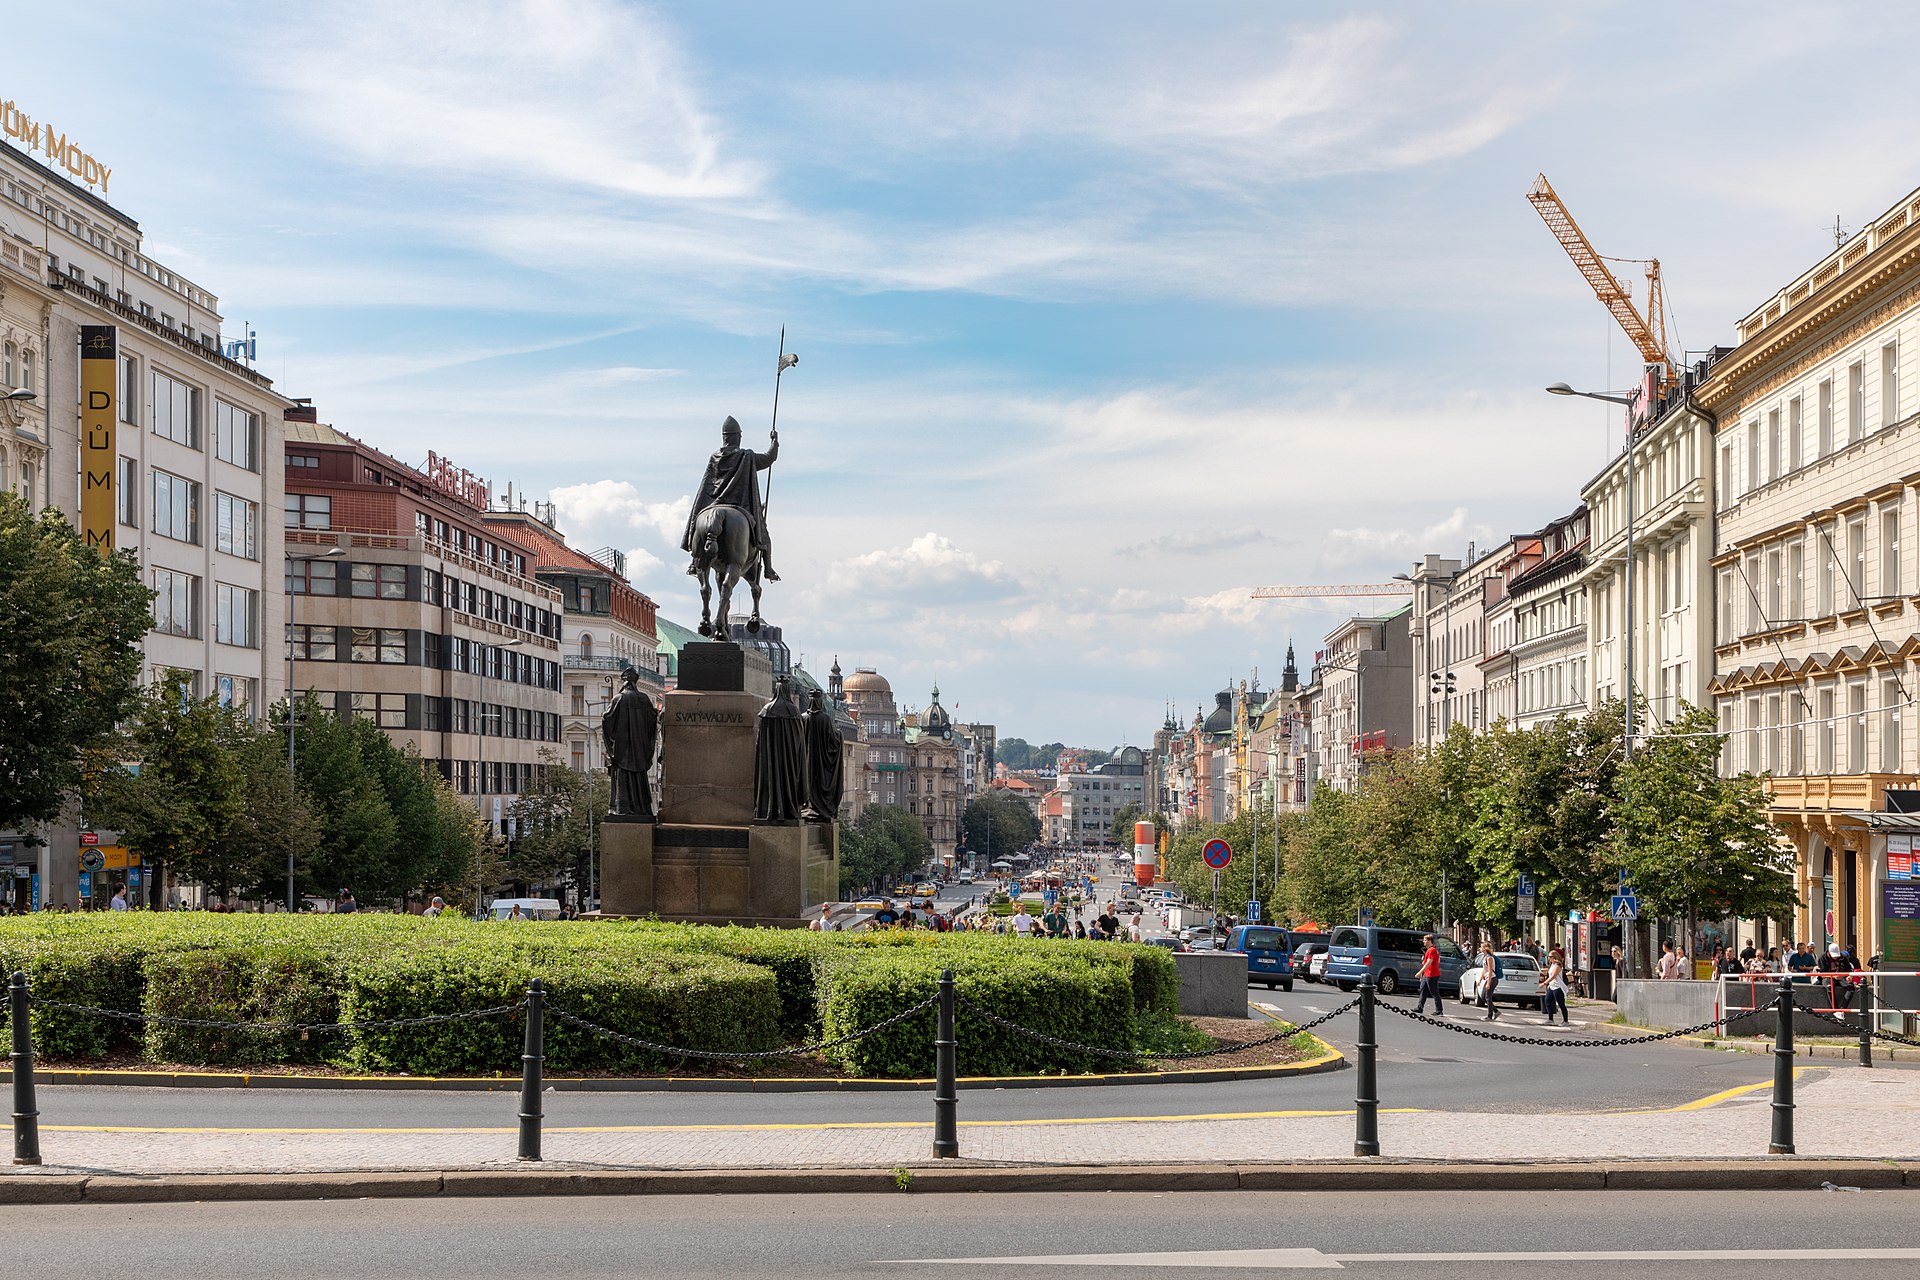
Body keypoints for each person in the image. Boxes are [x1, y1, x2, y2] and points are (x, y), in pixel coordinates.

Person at [1819, 942, 1860, 1010]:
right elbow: (1822, 974)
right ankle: (1835, 1009)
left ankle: (1842, 1008)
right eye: (1834, 956)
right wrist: (1833, 976)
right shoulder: (1822, 958)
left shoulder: (1843, 957)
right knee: (1829, 986)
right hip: (1828, 977)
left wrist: (1849, 976)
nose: (1836, 957)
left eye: (1837, 956)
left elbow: (1849, 969)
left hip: (1841, 977)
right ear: (1829, 952)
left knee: (1850, 987)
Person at [1414, 934, 1445, 1016]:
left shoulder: (1431, 950)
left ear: (1429, 941)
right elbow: (1437, 961)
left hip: (1432, 974)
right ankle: (1420, 1008)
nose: (1423, 942)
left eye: (1425, 940)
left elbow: (1428, 963)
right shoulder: (1431, 950)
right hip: (1427, 974)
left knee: (1434, 992)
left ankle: (1439, 1010)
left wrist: (1420, 972)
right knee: (1423, 991)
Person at [1540, 948, 1571, 1025]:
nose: (1548, 958)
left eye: (1550, 956)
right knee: (1547, 1001)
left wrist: (1544, 983)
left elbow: (1553, 976)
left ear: (1554, 957)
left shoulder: (1558, 965)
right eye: (1548, 956)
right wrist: (1549, 985)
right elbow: (1550, 975)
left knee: (1561, 1004)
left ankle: (1565, 1021)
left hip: (1558, 987)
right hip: (1552, 986)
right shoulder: (1552, 965)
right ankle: (1550, 1019)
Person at [1477, 942, 1502, 1022]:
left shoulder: (1489, 958)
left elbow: (1490, 971)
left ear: (1485, 948)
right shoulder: (1485, 957)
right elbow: (1484, 970)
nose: (1480, 949)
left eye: (1481, 947)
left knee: (1487, 997)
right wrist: (1480, 980)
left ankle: (1489, 1016)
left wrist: (1488, 983)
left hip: (1492, 979)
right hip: (1489, 979)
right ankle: (1496, 1011)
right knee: (1484, 996)